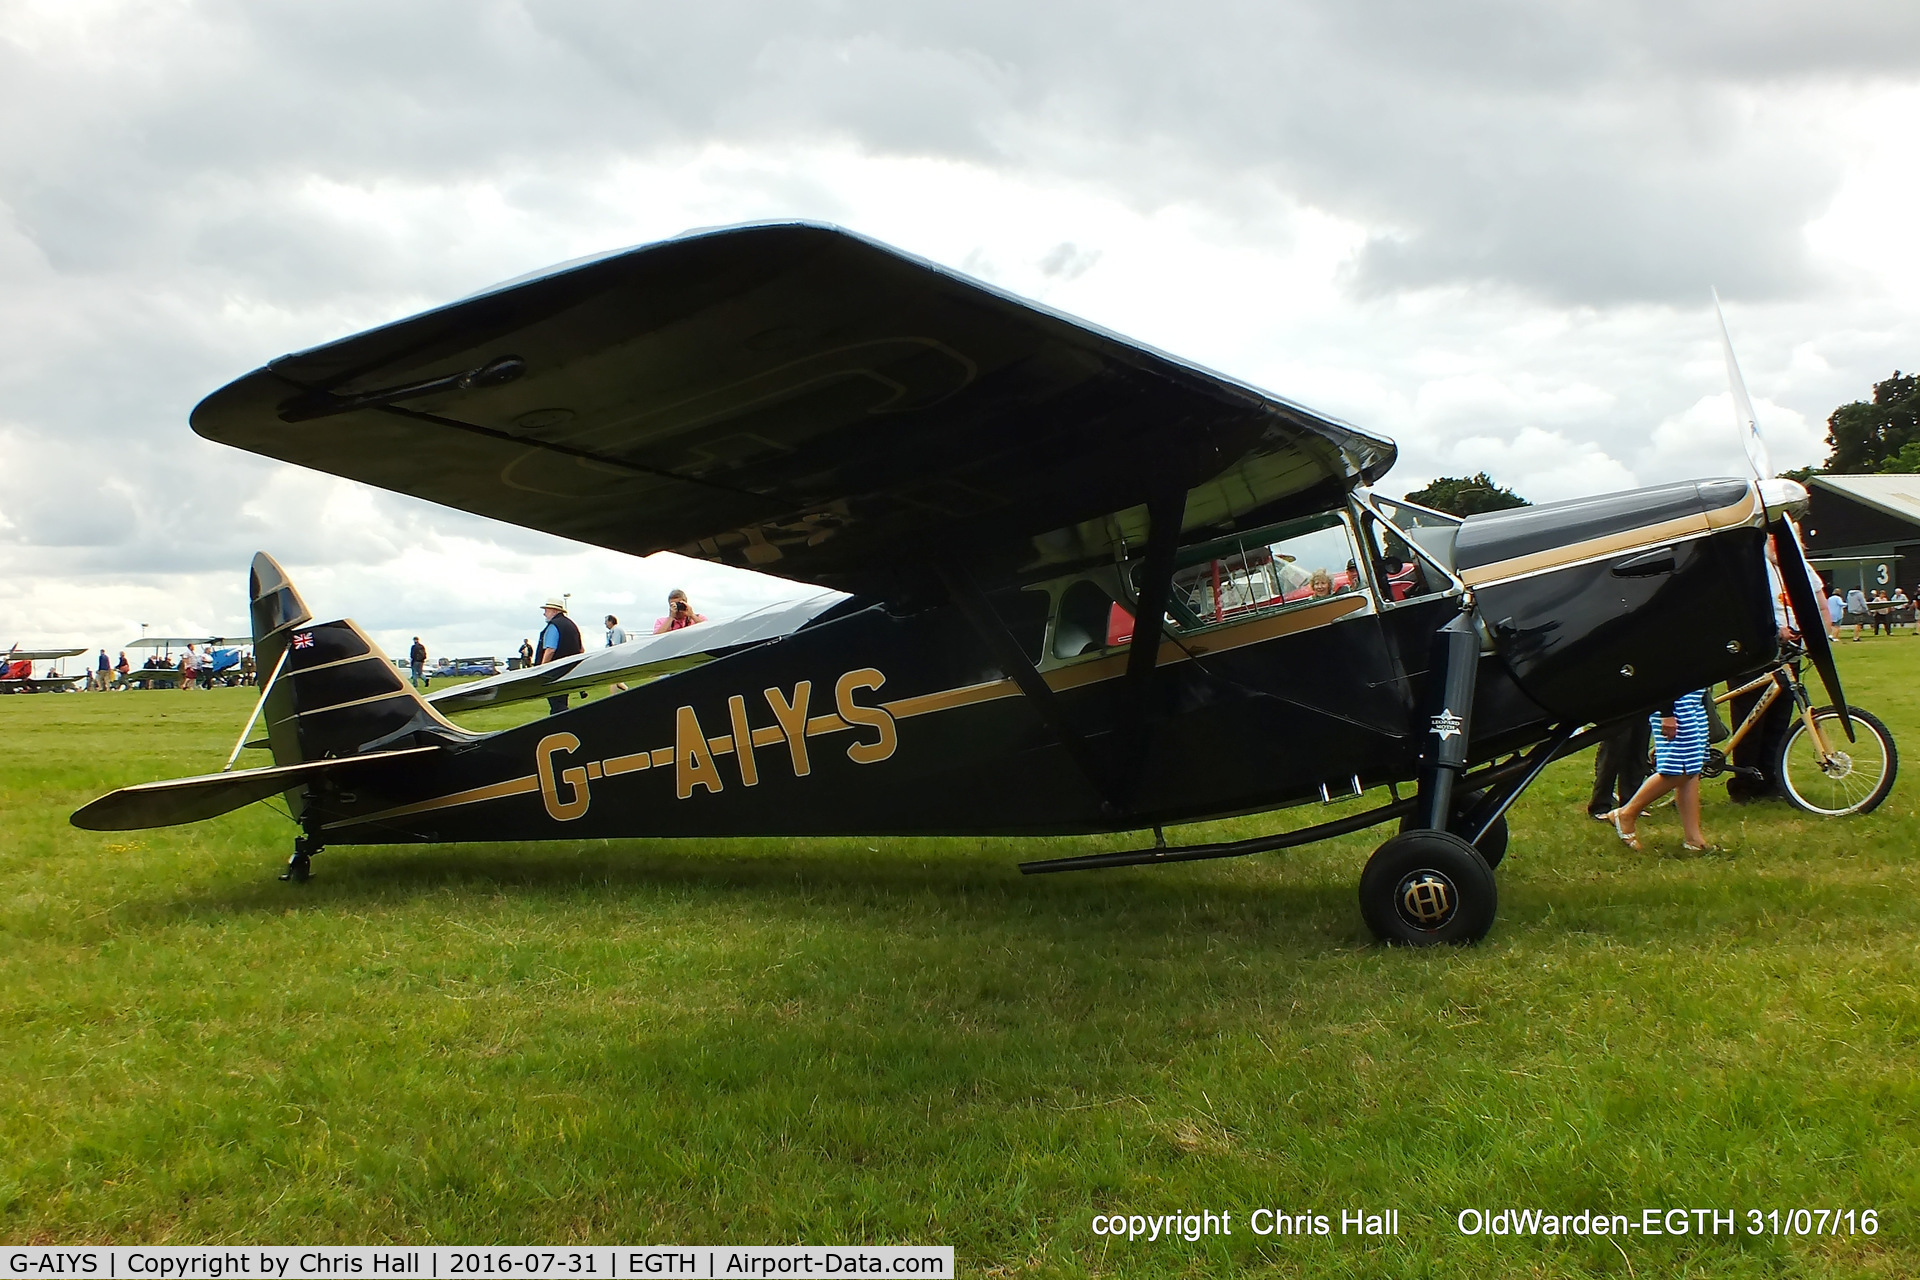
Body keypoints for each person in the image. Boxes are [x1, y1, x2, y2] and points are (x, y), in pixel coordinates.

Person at [1606, 690, 1712, 851]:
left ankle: (1694, 839)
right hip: (1675, 702)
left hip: (1694, 698)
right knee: (1678, 769)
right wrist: (1666, 713)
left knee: (1692, 769)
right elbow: (1663, 672)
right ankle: (1626, 813)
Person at [1587, 716, 1652, 821]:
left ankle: (1631, 804)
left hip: (1642, 707)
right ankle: (1600, 806)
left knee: (1637, 753)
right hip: (1618, 709)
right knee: (1612, 755)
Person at [537, 596, 584, 715]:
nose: (544, 613)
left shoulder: (554, 625)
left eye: (546, 610)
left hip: (555, 672)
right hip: (569, 670)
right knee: (561, 702)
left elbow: (550, 649)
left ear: (554, 611)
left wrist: (542, 669)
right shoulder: (572, 625)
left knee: (557, 705)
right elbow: (581, 649)